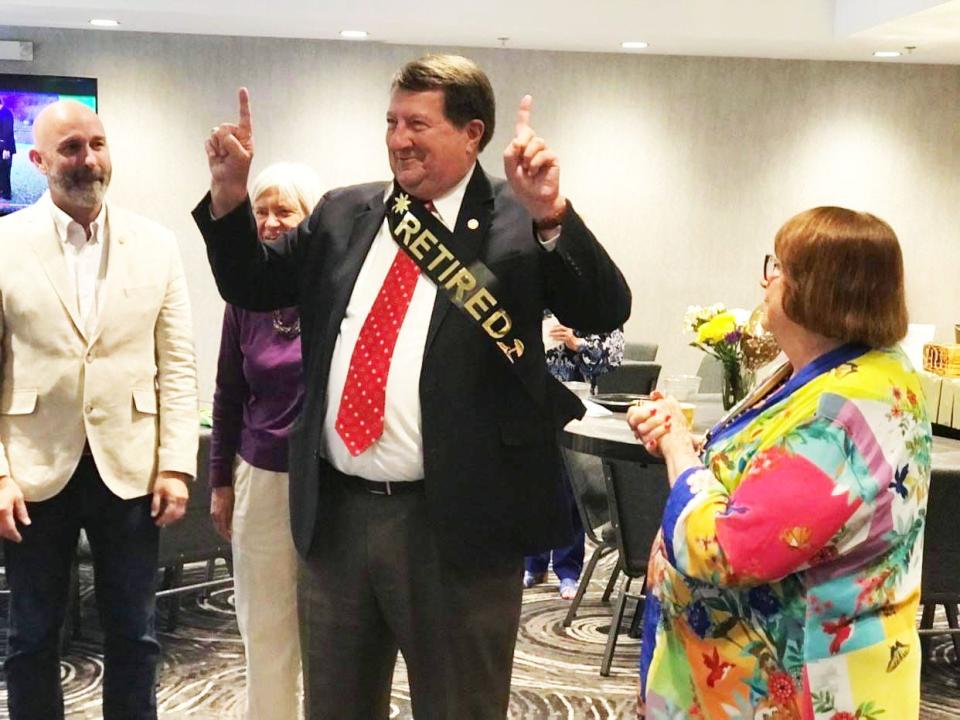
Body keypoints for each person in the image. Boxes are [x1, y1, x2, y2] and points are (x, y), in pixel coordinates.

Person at [194, 54, 631, 719]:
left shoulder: (517, 222)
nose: (399, 139)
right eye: (392, 121)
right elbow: (252, 284)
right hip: (337, 521)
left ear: (472, 133)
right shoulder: (346, 212)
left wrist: (553, 215)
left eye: (418, 124)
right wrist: (228, 198)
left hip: (456, 527)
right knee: (336, 706)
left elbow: (603, 308)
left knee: (459, 707)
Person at [628, 207, 929, 719]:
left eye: (780, 267)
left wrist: (680, 449)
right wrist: (691, 443)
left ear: (819, 290)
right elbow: (773, 477)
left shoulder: (845, 413)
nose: (765, 280)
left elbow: (726, 548)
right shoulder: (825, 375)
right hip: (750, 674)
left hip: (804, 686)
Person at [0, 100, 198, 719]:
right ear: (38, 161)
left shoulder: (157, 244)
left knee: (135, 635)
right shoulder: (3, 244)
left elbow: (179, 363)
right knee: (33, 637)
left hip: (131, 470)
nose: (89, 160)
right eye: (71, 149)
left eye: (98, 143)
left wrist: (176, 464)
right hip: (34, 472)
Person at [208, 161, 321, 719]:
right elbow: (227, 395)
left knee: (332, 634)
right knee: (266, 630)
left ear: (310, 220)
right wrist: (220, 481)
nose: (271, 222)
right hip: (262, 478)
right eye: (261, 211)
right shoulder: (243, 298)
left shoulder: (334, 292)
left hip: (332, 482)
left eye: (285, 211)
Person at [524, 318, 624, 598]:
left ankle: (568, 571)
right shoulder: (534, 298)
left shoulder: (591, 306)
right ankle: (533, 564)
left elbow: (613, 355)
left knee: (570, 488)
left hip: (575, 406)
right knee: (533, 486)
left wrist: (576, 343)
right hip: (531, 403)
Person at [0, 96, 15, 200]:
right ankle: (2, 190)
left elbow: (7, 131)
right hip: (2, 147)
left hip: (6, 148)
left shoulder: (6, 113)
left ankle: (6, 193)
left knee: (5, 170)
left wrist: (6, 149)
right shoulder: (2, 113)